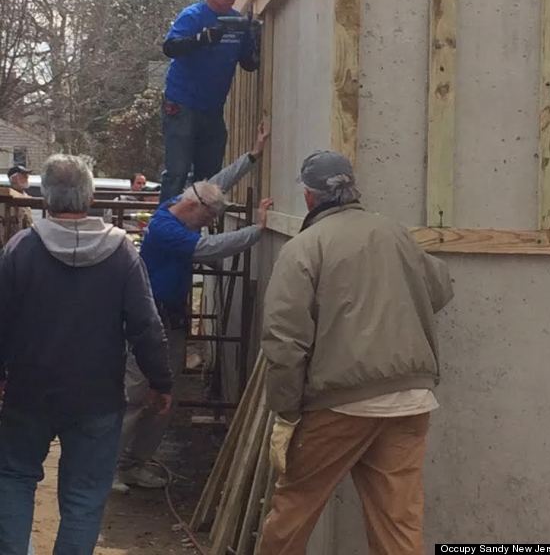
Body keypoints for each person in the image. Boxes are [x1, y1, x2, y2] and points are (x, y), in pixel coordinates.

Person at [259, 151, 454, 555]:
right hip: (409, 400)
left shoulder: (305, 247)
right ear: (352, 189)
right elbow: (440, 288)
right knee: (397, 521)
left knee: (294, 509)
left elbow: (284, 339)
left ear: (310, 198)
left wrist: (287, 412)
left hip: (339, 405)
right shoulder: (395, 234)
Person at [0, 154, 173, 555]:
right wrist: (161, 381)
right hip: (97, 398)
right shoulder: (122, 253)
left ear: (46, 197)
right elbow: (146, 326)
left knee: (15, 477)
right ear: (90, 195)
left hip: (30, 392)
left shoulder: (21, 249)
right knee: (84, 496)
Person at [115, 122, 273, 490]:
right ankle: (112, 466)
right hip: (148, 321)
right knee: (137, 394)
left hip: (172, 318)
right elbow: (210, 249)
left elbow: (214, 185)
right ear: (192, 207)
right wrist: (258, 231)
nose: (208, 225)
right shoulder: (165, 229)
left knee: (164, 395)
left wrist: (252, 156)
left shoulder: (179, 205)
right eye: (208, 218)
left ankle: (137, 462)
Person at [160, 0, 260, 203]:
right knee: (177, 170)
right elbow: (170, 47)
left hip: (212, 108)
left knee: (209, 175)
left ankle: (199, 228)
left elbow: (249, 64)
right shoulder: (193, 16)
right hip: (181, 104)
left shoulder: (237, 23)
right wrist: (201, 39)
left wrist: (255, 39)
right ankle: (165, 226)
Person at [6, 165, 34, 239]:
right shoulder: (7, 197)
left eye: (27, 175)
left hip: (24, 238)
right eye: (23, 175)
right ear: (13, 179)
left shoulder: (27, 197)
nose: (27, 177)